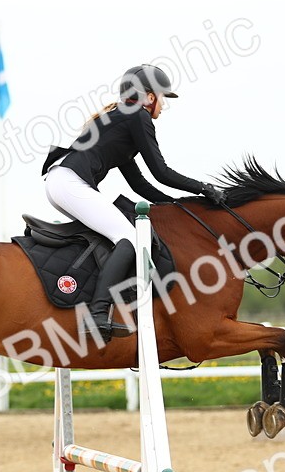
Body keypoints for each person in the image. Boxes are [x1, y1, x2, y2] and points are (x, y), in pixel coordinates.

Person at [41, 64, 225, 340]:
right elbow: (161, 172)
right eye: (163, 98)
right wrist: (204, 189)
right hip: (69, 184)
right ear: (150, 97)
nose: (163, 106)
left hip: (62, 183)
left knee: (116, 234)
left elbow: (140, 184)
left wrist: (178, 205)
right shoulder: (138, 117)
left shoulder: (122, 119)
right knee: (128, 236)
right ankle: (99, 312)